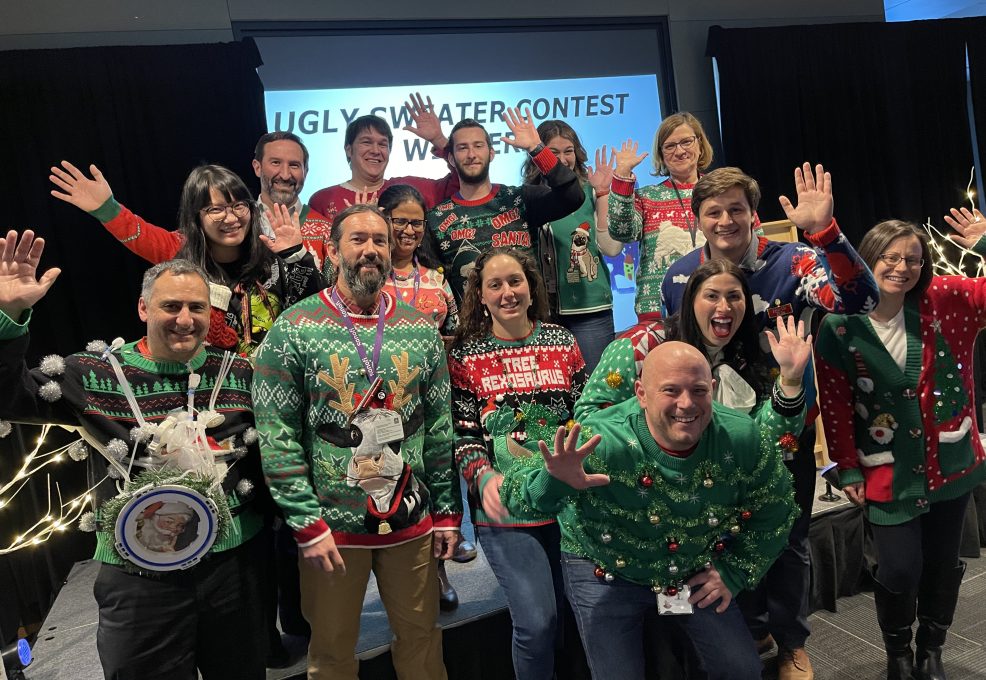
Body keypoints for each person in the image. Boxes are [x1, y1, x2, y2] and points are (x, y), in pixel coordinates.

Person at [0, 246, 269, 679]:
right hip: (140, 574)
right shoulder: (93, 374)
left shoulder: (239, 372)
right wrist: (8, 316)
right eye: (171, 306)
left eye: (196, 307)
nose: (185, 318)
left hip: (235, 569)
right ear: (143, 307)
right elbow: (8, 396)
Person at [660, 164, 879, 680]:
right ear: (698, 220)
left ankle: (791, 643)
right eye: (713, 211)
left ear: (754, 214)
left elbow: (860, 300)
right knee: (726, 538)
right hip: (710, 441)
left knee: (786, 539)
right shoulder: (679, 277)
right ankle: (753, 626)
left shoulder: (796, 261)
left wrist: (825, 233)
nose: (726, 220)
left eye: (736, 209)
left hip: (785, 433)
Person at [499, 342, 801, 680]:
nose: (686, 403)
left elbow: (775, 509)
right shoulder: (601, 438)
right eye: (670, 390)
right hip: (603, 566)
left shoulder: (741, 436)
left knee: (741, 671)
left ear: (712, 391)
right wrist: (554, 482)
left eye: (698, 390)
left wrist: (733, 572)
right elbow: (519, 500)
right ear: (641, 393)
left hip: (691, 565)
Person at [252, 204, 462, 680]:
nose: (371, 250)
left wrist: (447, 511)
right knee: (330, 654)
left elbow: (439, 428)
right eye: (358, 240)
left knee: (422, 640)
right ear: (331, 251)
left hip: (410, 519)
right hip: (331, 529)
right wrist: (306, 523)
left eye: (380, 241)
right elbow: (276, 434)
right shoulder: (293, 328)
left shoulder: (420, 330)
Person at [815, 214, 986, 680]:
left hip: (950, 464)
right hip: (886, 470)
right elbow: (835, 403)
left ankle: (932, 647)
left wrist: (984, 241)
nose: (902, 267)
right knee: (898, 569)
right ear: (865, 261)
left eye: (912, 258)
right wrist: (846, 468)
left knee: (942, 564)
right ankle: (898, 652)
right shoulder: (840, 325)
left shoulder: (947, 298)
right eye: (889, 258)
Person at [447, 247, 586, 680]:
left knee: (575, 619)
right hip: (506, 510)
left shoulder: (562, 342)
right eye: (495, 285)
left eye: (515, 281)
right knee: (537, 623)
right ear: (481, 296)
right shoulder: (465, 357)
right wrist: (481, 474)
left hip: (570, 505)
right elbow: (463, 434)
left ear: (531, 288)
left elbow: (585, 415)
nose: (507, 292)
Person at [49, 163, 325, 355]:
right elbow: (138, 232)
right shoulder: (179, 251)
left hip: (272, 386)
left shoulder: (272, 256)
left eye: (239, 206)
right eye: (216, 209)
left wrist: (296, 255)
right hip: (206, 388)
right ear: (197, 216)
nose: (231, 218)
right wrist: (106, 209)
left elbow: (316, 310)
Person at [376, 184, 474, 610]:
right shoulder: (368, 275)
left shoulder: (435, 278)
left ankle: (437, 575)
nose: (410, 229)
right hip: (377, 404)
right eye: (400, 221)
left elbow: (454, 329)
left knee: (432, 485)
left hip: (430, 399)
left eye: (417, 222)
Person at [427, 109, 584, 303]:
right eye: (462, 148)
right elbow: (434, 283)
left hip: (529, 326)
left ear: (491, 153)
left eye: (478, 146)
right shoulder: (436, 218)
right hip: (472, 331)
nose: (471, 154)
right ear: (451, 158)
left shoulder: (521, 198)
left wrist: (537, 149)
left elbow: (572, 196)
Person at [521, 120, 622, 372]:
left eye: (568, 151)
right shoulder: (524, 197)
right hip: (539, 313)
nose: (563, 159)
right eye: (553, 152)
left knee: (598, 387)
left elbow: (611, 249)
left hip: (589, 309)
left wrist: (603, 195)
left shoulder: (588, 191)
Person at [607, 112, 716, 324]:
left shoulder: (723, 192)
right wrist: (622, 176)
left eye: (686, 142)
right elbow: (622, 232)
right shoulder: (648, 196)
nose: (680, 150)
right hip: (660, 312)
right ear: (661, 154)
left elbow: (753, 239)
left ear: (700, 145)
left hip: (717, 308)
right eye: (670, 146)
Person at [308, 94, 459, 221]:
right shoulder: (323, 200)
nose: (375, 150)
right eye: (366, 142)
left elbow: (464, 183)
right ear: (348, 149)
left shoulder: (411, 189)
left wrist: (439, 140)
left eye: (382, 144)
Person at [252, 131, 334, 276]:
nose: (285, 175)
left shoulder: (327, 232)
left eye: (294, 165)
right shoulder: (238, 224)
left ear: (306, 171)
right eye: (276, 163)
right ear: (257, 168)